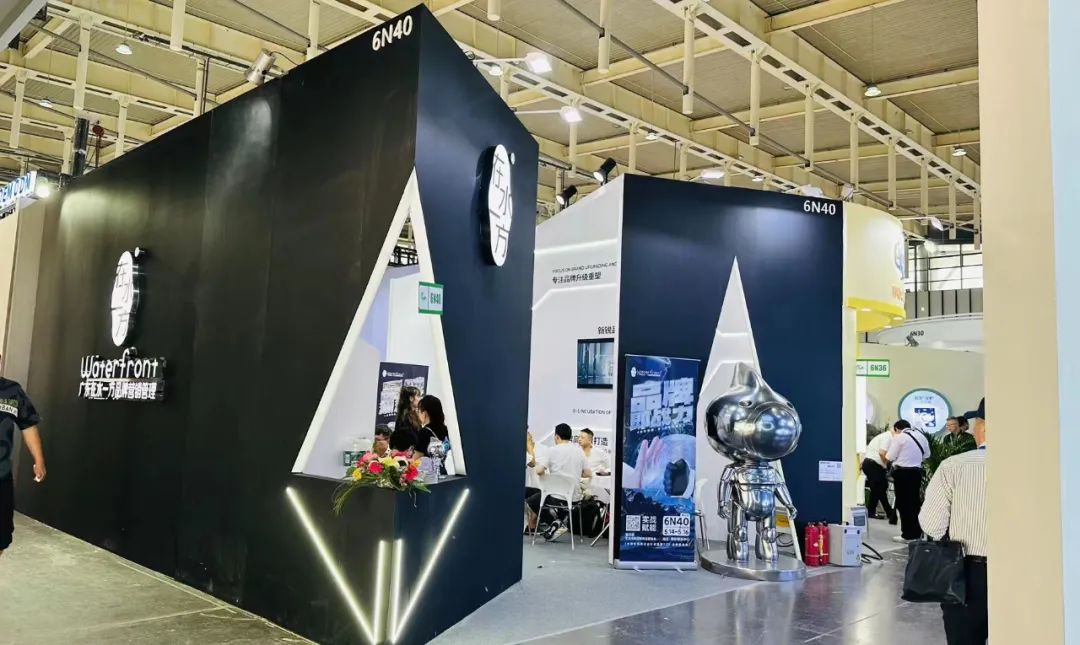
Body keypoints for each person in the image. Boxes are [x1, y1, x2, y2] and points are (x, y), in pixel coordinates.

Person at [920, 398, 988, 645]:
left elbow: (932, 525)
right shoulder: (1038, 468)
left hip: (967, 574)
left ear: (983, 427)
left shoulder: (954, 466)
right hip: (1025, 572)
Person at [0, 369, 46, 559]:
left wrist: (39, 459)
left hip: (1, 476)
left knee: (1, 536)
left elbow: (28, 425)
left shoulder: (12, 391)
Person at [526, 423, 591, 541]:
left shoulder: (552, 451)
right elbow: (588, 473)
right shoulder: (579, 451)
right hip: (574, 497)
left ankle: (556, 522)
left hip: (556, 496)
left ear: (557, 437)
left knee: (532, 501)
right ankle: (558, 522)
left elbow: (539, 471)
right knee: (540, 496)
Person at [885, 419, 929, 543]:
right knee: (914, 504)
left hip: (902, 473)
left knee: (903, 504)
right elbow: (927, 455)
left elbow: (889, 456)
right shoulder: (921, 436)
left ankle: (908, 535)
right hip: (916, 473)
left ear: (896, 429)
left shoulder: (900, 437)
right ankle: (917, 533)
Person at [861, 429, 897, 524]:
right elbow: (882, 453)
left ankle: (871, 511)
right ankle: (889, 512)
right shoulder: (888, 437)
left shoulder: (886, 437)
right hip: (873, 464)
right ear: (896, 429)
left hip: (873, 465)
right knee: (880, 489)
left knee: (879, 488)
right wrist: (887, 464)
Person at [390, 386, 422, 455]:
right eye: (418, 396)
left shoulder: (414, 414)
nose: (420, 399)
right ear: (411, 398)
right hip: (407, 453)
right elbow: (411, 438)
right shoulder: (405, 417)